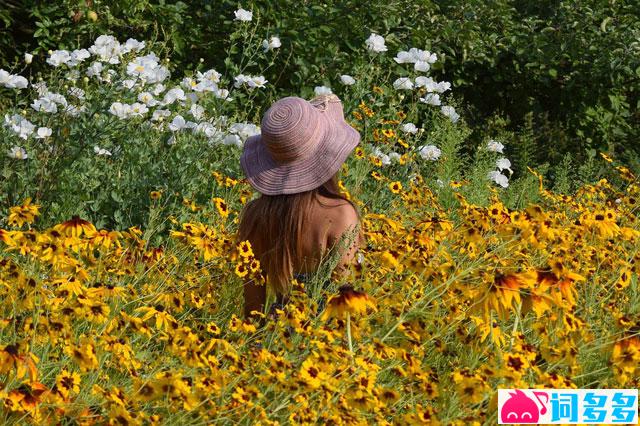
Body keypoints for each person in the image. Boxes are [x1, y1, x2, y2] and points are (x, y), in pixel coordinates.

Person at [237, 94, 363, 319]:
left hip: (274, 340)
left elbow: (252, 309)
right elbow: (347, 300)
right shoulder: (341, 215)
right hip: (324, 343)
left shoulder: (255, 216)